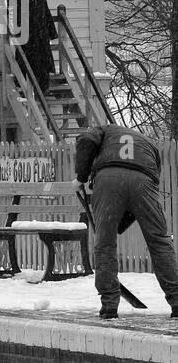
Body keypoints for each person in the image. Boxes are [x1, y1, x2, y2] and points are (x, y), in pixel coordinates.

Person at [74, 124, 178, 319]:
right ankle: (177, 300)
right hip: (144, 182)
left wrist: (81, 177)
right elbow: (154, 176)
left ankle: (109, 307)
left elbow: (86, 140)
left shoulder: (103, 130)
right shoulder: (148, 142)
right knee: (159, 241)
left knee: (105, 243)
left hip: (108, 179)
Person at [15, 0, 57, 93]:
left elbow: (47, 14)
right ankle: (24, 87)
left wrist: (52, 33)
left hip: (41, 36)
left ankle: (44, 88)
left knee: (43, 63)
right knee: (26, 62)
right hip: (28, 38)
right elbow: (18, 20)